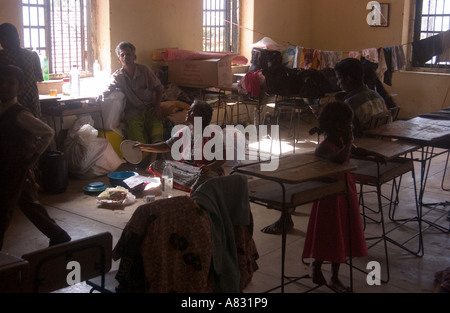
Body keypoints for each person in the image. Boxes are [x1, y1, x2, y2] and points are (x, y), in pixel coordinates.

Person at [302, 101, 386, 292]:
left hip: (345, 191)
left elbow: (355, 150)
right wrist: (348, 142)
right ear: (336, 125)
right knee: (329, 232)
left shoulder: (341, 141)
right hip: (329, 197)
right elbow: (339, 159)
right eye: (347, 124)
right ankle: (316, 263)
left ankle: (334, 276)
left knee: (342, 233)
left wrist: (374, 154)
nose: (350, 127)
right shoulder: (324, 146)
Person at [0, 65, 71, 250]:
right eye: (2, 82)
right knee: (28, 204)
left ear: (20, 88)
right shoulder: (3, 109)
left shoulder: (20, 114)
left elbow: (48, 132)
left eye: (11, 83)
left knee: (4, 209)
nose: (5, 86)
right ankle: (59, 235)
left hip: (16, 167)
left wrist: (34, 156)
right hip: (6, 167)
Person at [135, 99, 226, 193]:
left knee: (205, 178)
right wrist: (143, 146)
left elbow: (223, 157)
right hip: (186, 168)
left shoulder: (212, 133)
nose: (188, 112)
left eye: (191, 111)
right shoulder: (185, 131)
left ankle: (191, 183)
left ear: (200, 117)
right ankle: (191, 184)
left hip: (205, 170)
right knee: (157, 165)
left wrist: (210, 167)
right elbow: (166, 146)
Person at [99, 41, 164, 166]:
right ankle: (143, 161)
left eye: (128, 54)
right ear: (119, 59)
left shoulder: (145, 70)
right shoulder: (118, 76)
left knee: (157, 128)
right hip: (134, 110)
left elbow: (159, 89)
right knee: (134, 131)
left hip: (151, 107)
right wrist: (100, 95)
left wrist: (157, 108)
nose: (125, 57)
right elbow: (108, 88)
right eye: (122, 55)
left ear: (134, 57)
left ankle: (153, 162)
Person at [334, 58, 389, 137]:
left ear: (348, 79)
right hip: (380, 141)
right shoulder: (377, 96)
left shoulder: (350, 103)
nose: (338, 83)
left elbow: (345, 133)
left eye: (339, 78)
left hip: (362, 144)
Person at [0, 23, 43, 118]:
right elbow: (39, 78)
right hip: (33, 107)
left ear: (4, 39)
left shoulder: (2, 57)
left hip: (12, 108)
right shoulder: (32, 56)